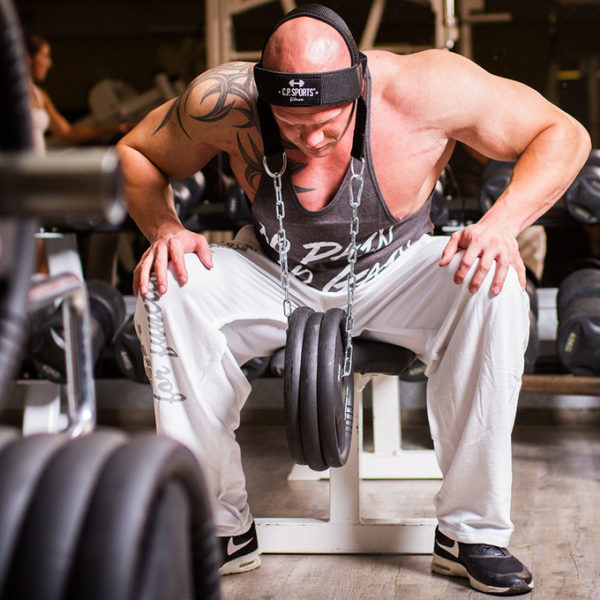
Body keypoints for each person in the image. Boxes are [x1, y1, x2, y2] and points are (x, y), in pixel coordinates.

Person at [117, 4, 590, 596]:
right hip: (273, 269)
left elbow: (564, 133)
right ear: (262, 97)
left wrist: (501, 225)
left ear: (359, 87)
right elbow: (136, 152)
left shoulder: (428, 89)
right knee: (167, 288)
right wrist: (165, 229)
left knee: (495, 287)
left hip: (399, 272)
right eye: (291, 125)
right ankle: (216, 527)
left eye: (329, 122)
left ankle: (472, 533)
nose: (312, 140)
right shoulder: (224, 100)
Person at [25, 33, 130, 154]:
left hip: (36, 167)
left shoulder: (40, 95)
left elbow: (68, 131)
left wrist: (114, 129)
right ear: (28, 58)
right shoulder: (9, 95)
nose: (49, 63)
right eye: (45, 56)